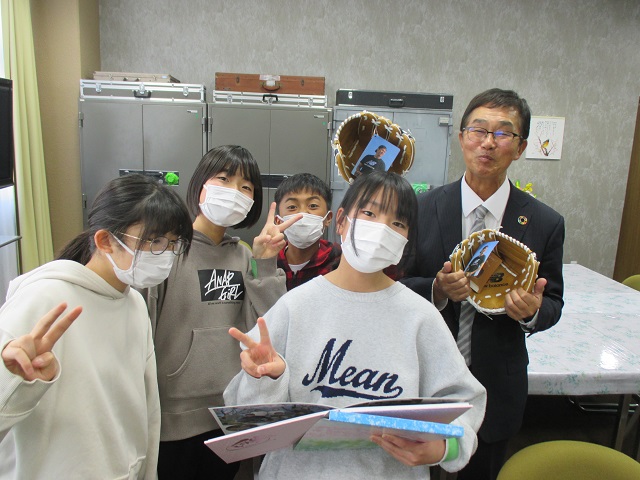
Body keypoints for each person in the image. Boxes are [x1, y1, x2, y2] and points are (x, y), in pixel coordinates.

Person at [224, 171, 487, 480]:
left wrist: (445, 447)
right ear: (341, 221)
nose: (381, 229)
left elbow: (465, 403)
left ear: (406, 240)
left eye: (397, 223)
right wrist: (267, 378)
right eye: (370, 213)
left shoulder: (421, 317)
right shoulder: (294, 306)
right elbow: (245, 419)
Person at [400, 88, 565, 480]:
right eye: (478, 130)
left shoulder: (544, 222)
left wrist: (532, 313)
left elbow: (553, 302)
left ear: (520, 148)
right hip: (423, 377)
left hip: (496, 386)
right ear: (462, 138)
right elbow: (397, 285)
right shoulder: (421, 207)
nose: (488, 142)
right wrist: (437, 290)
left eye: (503, 133)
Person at [0, 173, 193, 479]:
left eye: (173, 243)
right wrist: (17, 382)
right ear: (105, 241)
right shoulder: (44, 297)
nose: (166, 254)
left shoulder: (134, 303)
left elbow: (146, 410)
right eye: (155, 241)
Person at [145, 145, 299, 480]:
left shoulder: (243, 256)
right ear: (200, 184)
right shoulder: (168, 251)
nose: (234, 192)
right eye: (224, 179)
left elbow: (268, 328)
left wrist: (264, 262)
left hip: (228, 414)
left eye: (246, 187)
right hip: (171, 422)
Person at [274, 173, 341, 290]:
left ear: (328, 218)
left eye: (313, 205)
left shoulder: (339, 262)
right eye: (292, 207)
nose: (302, 214)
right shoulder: (270, 261)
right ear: (278, 221)